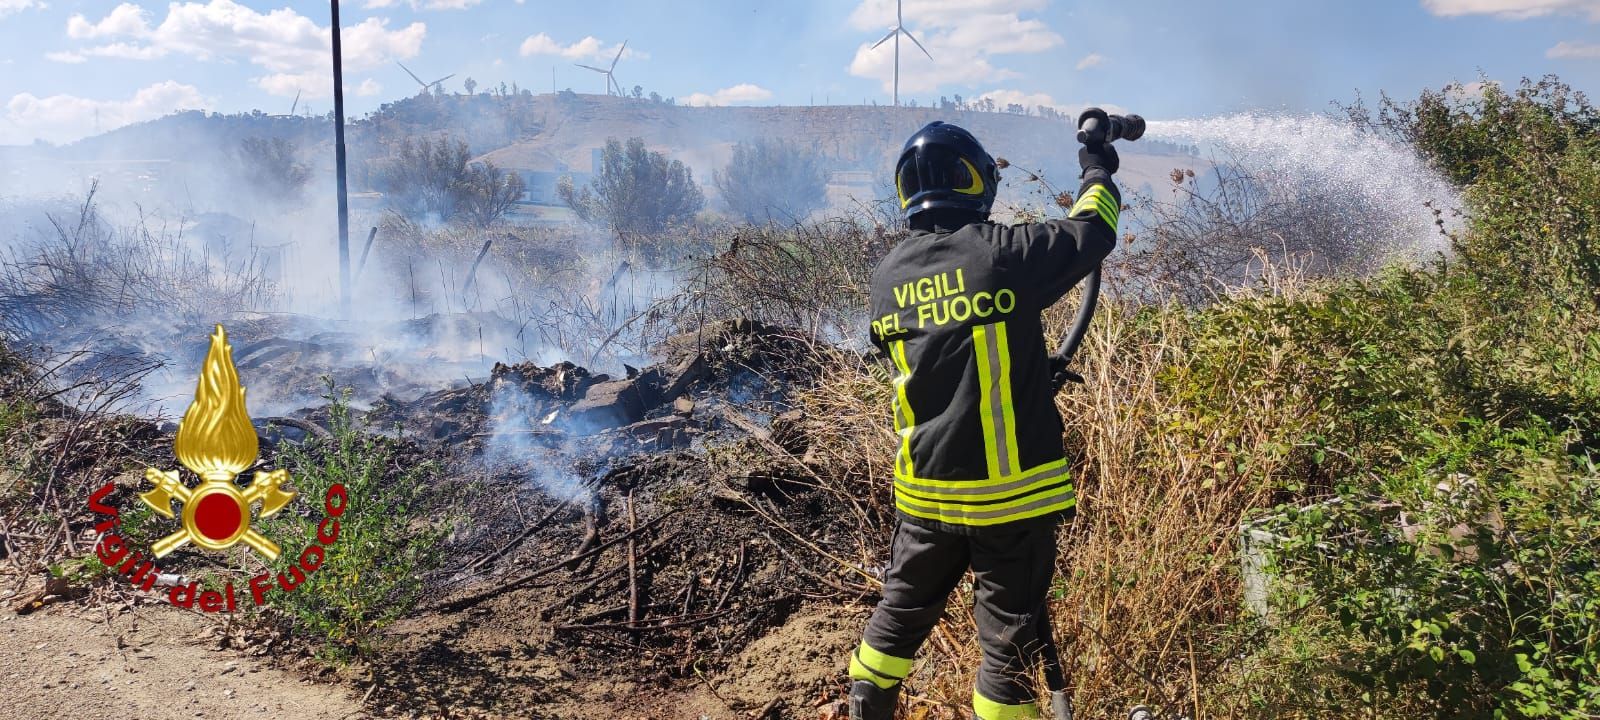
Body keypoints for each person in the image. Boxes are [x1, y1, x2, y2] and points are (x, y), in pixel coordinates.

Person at [846, 120, 1121, 720]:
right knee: (1008, 647)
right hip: (1008, 502)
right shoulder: (1002, 253)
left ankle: (867, 706)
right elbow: (1094, 228)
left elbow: (941, 352)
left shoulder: (887, 278)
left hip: (923, 498)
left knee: (898, 615)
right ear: (973, 182)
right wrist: (1096, 167)